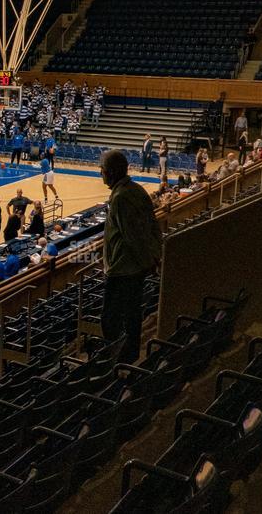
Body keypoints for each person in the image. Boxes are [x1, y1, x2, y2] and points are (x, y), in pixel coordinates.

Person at [98, 150, 162, 363]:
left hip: (123, 269)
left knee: (111, 319)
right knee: (131, 314)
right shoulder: (137, 190)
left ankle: (117, 361)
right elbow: (153, 226)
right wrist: (154, 256)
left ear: (113, 172)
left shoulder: (120, 197)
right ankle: (128, 355)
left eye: (103, 170)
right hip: (132, 267)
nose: (101, 174)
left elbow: (133, 237)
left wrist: (150, 262)